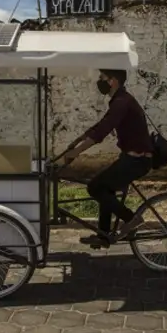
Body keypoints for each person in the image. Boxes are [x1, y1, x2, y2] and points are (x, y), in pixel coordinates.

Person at [61, 69, 153, 245]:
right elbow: (102, 124)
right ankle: (103, 235)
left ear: (113, 81)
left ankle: (131, 219)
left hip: (137, 161)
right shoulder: (120, 100)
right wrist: (79, 139)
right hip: (132, 159)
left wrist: (76, 152)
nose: (99, 81)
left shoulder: (122, 102)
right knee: (104, 188)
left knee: (95, 187)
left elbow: (102, 132)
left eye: (102, 78)